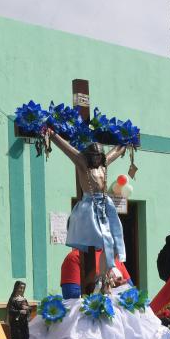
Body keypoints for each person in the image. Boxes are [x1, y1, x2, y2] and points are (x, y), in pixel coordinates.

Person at [46, 128, 128, 275]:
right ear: (88, 156)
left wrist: (128, 140)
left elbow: (116, 151)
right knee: (103, 238)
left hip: (105, 203)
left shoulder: (103, 164)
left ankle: (105, 276)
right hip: (89, 206)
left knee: (114, 237)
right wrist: (52, 135)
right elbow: (68, 148)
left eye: (99, 155)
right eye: (94, 156)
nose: (97, 158)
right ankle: (103, 275)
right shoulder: (82, 164)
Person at [60, 248, 131, 299]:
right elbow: (70, 296)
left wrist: (123, 286)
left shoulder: (114, 256)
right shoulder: (74, 257)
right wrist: (107, 288)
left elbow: (132, 289)